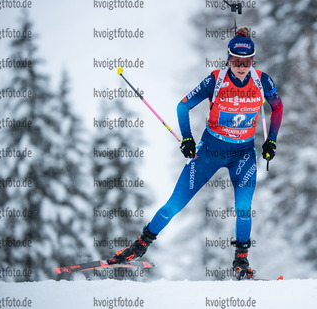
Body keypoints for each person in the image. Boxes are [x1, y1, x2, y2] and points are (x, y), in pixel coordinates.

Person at [108, 26, 283, 280]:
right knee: (174, 205)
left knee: (244, 209)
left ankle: (241, 262)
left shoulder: (262, 81)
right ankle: (139, 246)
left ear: (253, 60)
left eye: (246, 61)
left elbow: (277, 108)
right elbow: (183, 106)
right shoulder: (216, 80)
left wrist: (272, 141)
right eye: (236, 60)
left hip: (243, 154)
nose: (242, 66)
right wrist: (188, 138)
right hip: (211, 151)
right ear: (228, 58)